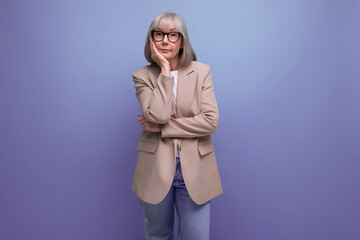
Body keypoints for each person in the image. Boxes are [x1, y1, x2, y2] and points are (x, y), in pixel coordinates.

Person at [131, 11, 223, 240]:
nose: (165, 40)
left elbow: (210, 121)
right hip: (155, 168)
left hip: (195, 167)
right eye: (159, 34)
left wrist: (162, 129)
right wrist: (164, 69)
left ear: (182, 40)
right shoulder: (142, 76)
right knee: (157, 235)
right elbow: (157, 115)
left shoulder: (202, 72)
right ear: (151, 38)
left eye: (173, 35)